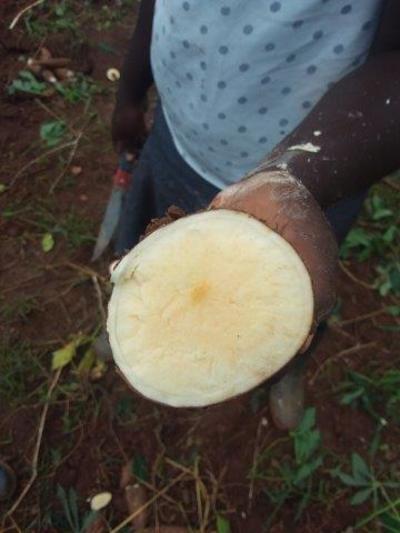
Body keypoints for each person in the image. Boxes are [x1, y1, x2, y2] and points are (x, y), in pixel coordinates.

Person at [110, 0, 400, 429]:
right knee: (150, 240)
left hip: (323, 161)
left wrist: (295, 181)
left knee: (297, 295)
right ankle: (130, 321)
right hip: (178, 131)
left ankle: (283, 366)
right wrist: (130, 92)